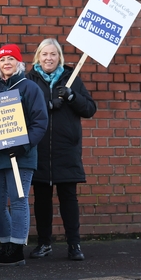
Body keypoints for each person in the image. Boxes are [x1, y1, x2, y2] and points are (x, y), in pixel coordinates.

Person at [26, 38, 96, 261]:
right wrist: (46, 105)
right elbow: (22, 109)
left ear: (59, 57)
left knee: (68, 198)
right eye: (44, 54)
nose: (49, 58)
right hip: (39, 150)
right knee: (42, 200)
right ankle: (44, 243)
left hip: (66, 149)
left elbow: (89, 109)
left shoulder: (71, 78)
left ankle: (74, 244)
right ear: (38, 57)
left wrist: (72, 97)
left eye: (53, 54)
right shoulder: (29, 80)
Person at [0, 44, 48, 267]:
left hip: (20, 156)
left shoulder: (29, 88)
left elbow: (40, 121)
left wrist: (24, 145)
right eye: (2, 59)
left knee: (18, 201)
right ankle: (6, 246)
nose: (6, 62)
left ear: (19, 63)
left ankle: (17, 248)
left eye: (11, 58)